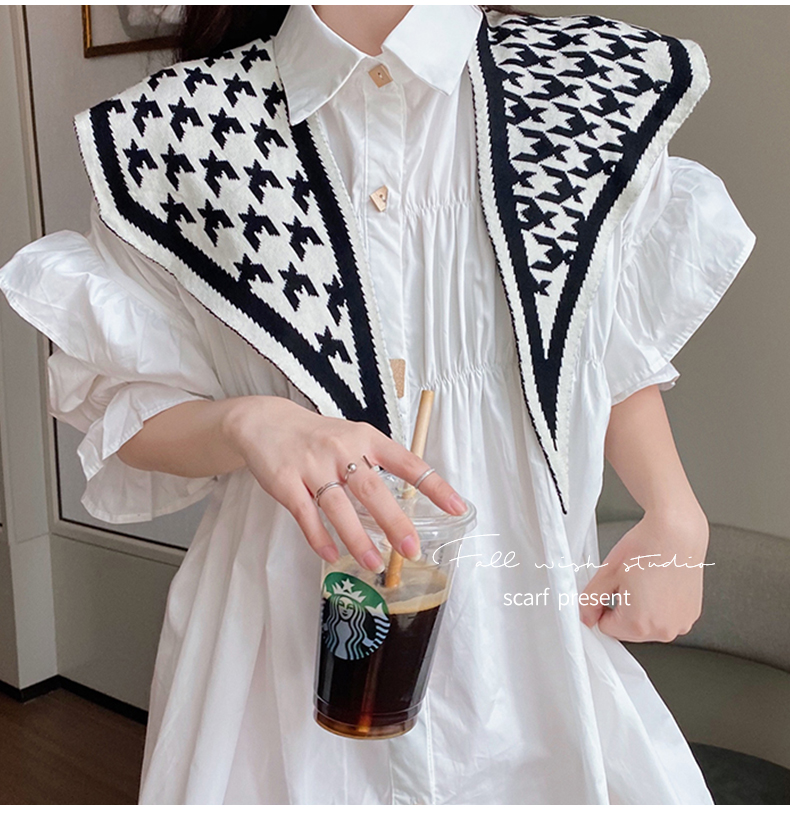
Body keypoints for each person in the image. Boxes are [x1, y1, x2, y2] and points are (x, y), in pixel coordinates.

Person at [0, 5, 756, 804]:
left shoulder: (581, 85)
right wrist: (248, 421)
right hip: (278, 672)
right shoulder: (178, 129)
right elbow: (129, 402)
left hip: (528, 657)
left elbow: (593, 338)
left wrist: (675, 512)